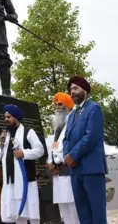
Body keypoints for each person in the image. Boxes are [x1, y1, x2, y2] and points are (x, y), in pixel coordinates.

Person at [62, 76, 108, 224]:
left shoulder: (94, 108)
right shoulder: (71, 115)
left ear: (85, 90)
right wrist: (66, 157)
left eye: (75, 88)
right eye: (71, 89)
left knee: (96, 211)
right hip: (75, 170)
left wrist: (73, 156)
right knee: (82, 212)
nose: (72, 92)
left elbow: (91, 136)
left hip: (91, 168)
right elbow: (66, 139)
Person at [0, 104, 44, 224]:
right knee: (18, 215)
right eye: (5, 117)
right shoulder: (6, 136)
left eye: (9, 117)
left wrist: (24, 153)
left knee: (32, 214)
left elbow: (40, 150)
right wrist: (0, 143)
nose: (6, 120)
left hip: (26, 181)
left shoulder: (28, 132)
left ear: (16, 117)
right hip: (11, 182)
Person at [47, 93, 79, 224]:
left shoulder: (74, 122)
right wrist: (50, 162)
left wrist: (58, 160)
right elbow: (54, 146)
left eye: (60, 104)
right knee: (63, 206)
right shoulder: (58, 127)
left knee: (73, 206)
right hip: (58, 173)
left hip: (69, 169)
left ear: (68, 106)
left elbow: (73, 146)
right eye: (56, 105)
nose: (57, 107)